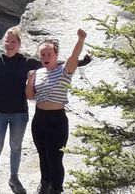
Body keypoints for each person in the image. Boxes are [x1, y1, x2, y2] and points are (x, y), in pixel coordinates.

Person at [0, 2, 89, 194]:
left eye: (14, 42)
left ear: (19, 45)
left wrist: (82, 61)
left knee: (18, 148)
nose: (9, 44)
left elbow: (52, 63)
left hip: (20, 113)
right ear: (4, 43)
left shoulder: (28, 62)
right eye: (7, 41)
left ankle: (17, 180)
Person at [26, 30, 87, 194]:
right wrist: (30, 81)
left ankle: (56, 189)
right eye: (42, 54)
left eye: (49, 54)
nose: (45, 57)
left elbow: (74, 57)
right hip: (39, 119)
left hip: (57, 120)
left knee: (55, 157)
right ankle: (45, 183)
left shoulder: (63, 71)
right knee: (42, 154)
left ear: (55, 54)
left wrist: (81, 39)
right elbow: (30, 96)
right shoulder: (38, 73)